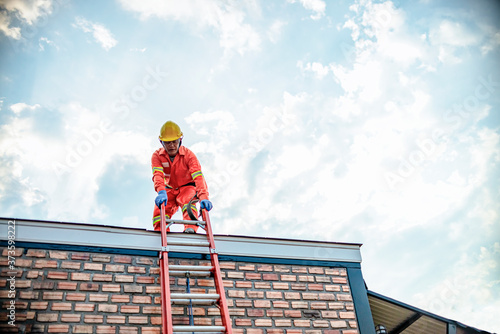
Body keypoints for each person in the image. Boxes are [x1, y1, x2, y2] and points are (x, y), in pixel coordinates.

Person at [151, 120, 212, 233]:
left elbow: (198, 177)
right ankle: (160, 231)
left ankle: (190, 229)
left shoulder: (189, 155)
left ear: (180, 140)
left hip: (187, 187)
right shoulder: (157, 156)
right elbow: (157, 175)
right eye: (168, 143)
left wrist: (203, 196)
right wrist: (161, 191)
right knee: (159, 210)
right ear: (162, 142)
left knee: (188, 201)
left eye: (174, 141)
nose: (172, 145)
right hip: (169, 189)